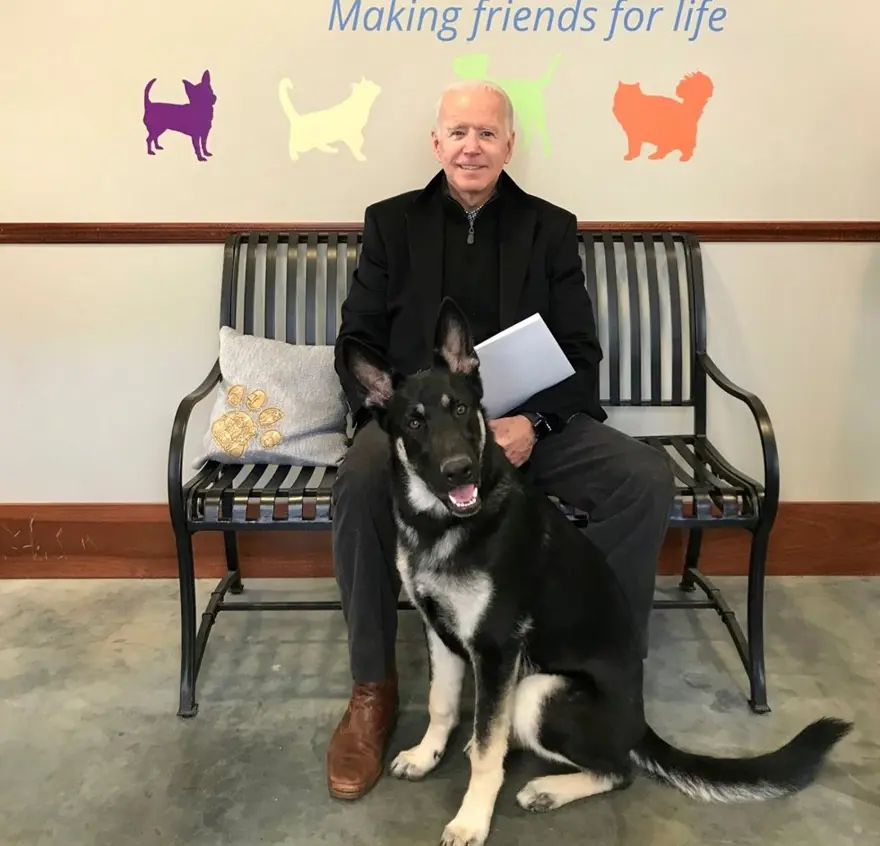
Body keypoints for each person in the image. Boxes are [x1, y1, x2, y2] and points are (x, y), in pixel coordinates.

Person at [326, 80, 675, 800]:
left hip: (527, 424)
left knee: (641, 478)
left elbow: (580, 355)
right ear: (436, 143)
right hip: (423, 429)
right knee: (360, 478)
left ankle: (599, 676)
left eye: (486, 133)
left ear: (510, 144)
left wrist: (534, 425)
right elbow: (357, 338)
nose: (471, 147)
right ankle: (371, 689)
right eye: (458, 133)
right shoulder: (391, 224)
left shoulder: (550, 228)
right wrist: (392, 419)